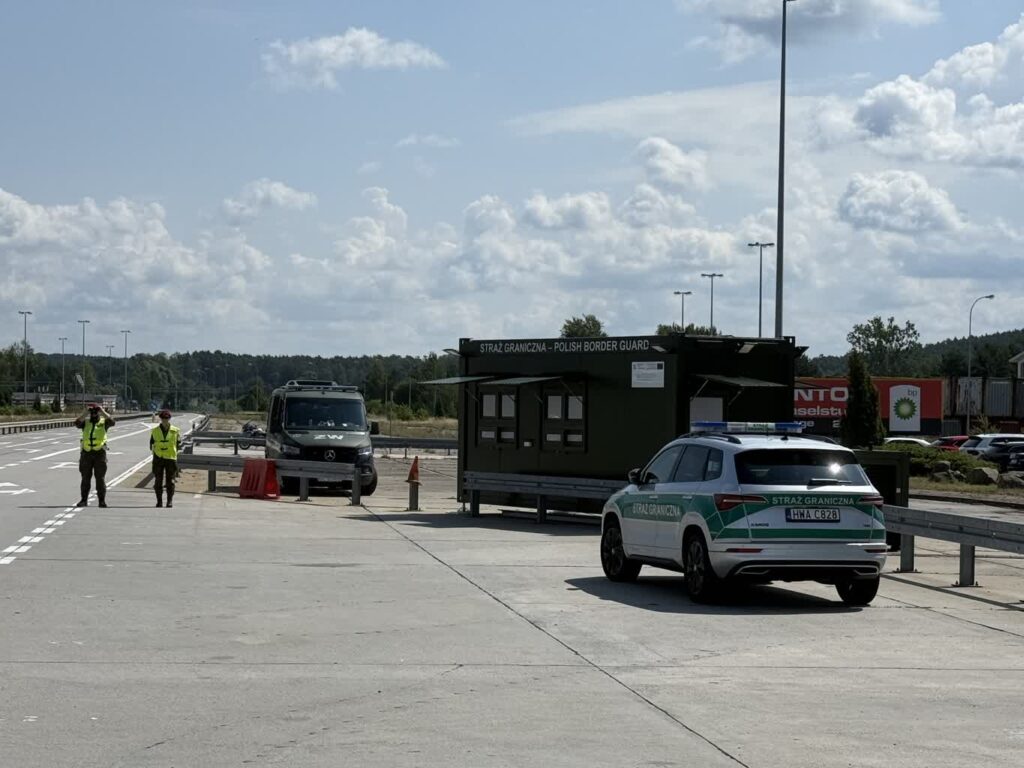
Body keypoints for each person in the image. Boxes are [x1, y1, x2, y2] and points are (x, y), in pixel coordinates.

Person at [75, 403, 115, 507]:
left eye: (95, 412)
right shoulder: (86, 422)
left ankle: (101, 501)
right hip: (86, 453)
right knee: (85, 478)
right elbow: (77, 423)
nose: (93, 414)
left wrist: (102, 411)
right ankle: (84, 500)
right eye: (92, 412)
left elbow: (112, 422)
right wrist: (85, 413)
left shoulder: (103, 422)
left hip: (99, 453)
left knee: (100, 478)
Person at [150, 409, 181, 508]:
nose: (165, 421)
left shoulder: (175, 430)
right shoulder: (155, 431)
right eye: (163, 419)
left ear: (169, 419)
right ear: (160, 419)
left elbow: (178, 443)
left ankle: (169, 501)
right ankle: (159, 501)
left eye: (166, 419)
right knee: (158, 481)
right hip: (158, 458)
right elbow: (151, 444)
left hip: (170, 458)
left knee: (170, 481)